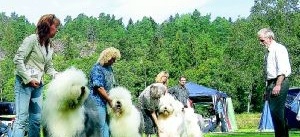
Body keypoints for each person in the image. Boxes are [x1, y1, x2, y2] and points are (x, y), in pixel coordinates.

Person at [12, 14, 60, 137]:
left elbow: (48, 66)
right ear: (48, 26)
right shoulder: (32, 40)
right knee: (21, 121)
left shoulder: (49, 46)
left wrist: (56, 74)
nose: (57, 30)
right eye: (56, 26)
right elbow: (18, 59)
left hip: (38, 86)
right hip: (24, 84)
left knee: (36, 120)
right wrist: (28, 79)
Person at [258, 28, 291, 137]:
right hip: (272, 82)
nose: (261, 43)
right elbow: (269, 73)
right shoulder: (269, 52)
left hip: (279, 81)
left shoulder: (279, 49)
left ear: (270, 38)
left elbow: (282, 69)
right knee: (275, 114)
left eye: (262, 40)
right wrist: (267, 91)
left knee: (277, 114)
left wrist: (278, 85)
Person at [88, 47, 121, 137]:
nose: (114, 61)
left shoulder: (110, 69)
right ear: (107, 57)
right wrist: (110, 101)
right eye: (112, 59)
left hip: (107, 103)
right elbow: (99, 88)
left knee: (108, 128)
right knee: (99, 128)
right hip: (97, 103)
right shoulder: (97, 69)